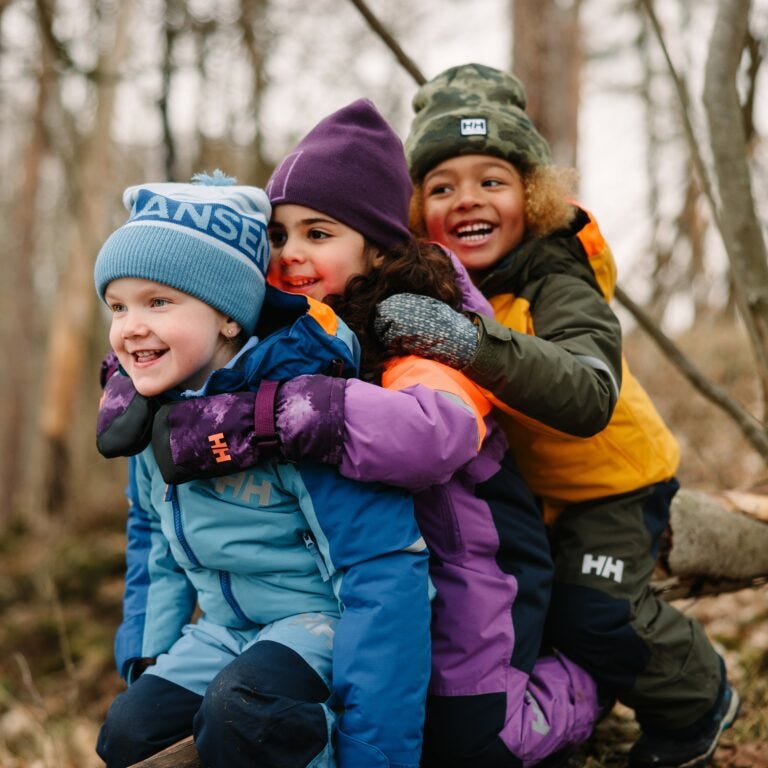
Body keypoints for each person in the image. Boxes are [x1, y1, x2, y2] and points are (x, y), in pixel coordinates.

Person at [100, 99, 602, 767]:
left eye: (319, 233)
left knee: (473, 745)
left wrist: (286, 414)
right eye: (277, 237)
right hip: (362, 592)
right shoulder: (289, 338)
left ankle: (582, 685)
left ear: (377, 244)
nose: (292, 255)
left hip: (476, 574)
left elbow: (435, 433)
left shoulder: (420, 332)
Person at [372, 62, 740, 768]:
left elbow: (587, 393)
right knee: (521, 621)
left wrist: (465, 343)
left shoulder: (556, 274)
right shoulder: (445, 284)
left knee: (595, 610)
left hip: (615, 486)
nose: (467, 200)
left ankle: (698, 698)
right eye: (442, 186)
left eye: (493, 181)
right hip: (532, 500)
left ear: (533, 195)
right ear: (418, 209)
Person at [92, 172, 432, 768]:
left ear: (227, 316)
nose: (130, 326)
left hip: (319, 624)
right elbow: (152, 542)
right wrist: (148, 660)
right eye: (117, 306)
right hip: (222, 630)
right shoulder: (148, 416)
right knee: (129, 731)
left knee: (242, 711)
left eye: (158, 301)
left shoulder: (295, 412)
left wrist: (376, 755)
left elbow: (384, 574)